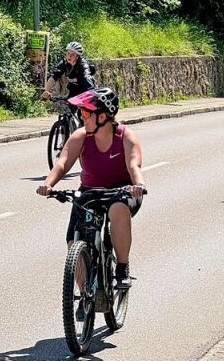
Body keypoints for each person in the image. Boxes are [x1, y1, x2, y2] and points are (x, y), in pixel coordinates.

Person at [36, 88, 145, 289]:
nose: (81, 117)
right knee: (73, 239)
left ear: (102, 116)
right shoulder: (81, 136)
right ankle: (84, 293)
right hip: (90, 191)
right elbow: (62, 163)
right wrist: (48, 184)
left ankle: (122, 268)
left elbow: (133, 165)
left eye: (86, 113)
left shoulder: (126, 137)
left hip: (122, 191)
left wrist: (138, 185)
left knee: (117, 209)